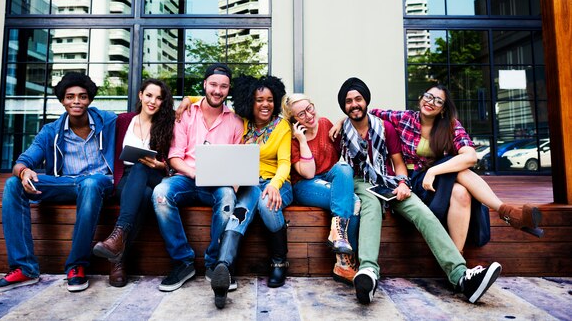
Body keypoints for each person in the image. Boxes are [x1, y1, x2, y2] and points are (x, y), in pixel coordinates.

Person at [335, 77, 501, 305]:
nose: (354, 104)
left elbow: (398, 162)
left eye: (358, 99)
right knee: (371, 206)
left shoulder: (385, 127)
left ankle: (461, 276)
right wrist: (340, 121)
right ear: (343, 106)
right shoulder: (339, 132)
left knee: (422, 212)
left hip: (390, 180)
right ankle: (368, 272)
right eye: (348, 101)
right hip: (360, 181)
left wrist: (402, 182)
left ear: (366, 101)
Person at [0, 72, 117, 293]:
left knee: (91, 184)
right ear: (62, 100)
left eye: (82, 96)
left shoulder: (109, 121)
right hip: (67, 183)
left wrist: (187, 102)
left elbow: (142, 116)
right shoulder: (51, 131)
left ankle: (77, 266)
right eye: (70, 96)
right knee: (13, 184)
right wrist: (24, 171)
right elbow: (22, 162)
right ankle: (24, 268)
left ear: (90, 99)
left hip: (101, 184)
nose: (76, 101)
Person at [369, 84, 544, 253]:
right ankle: (509, 213)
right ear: (421, 98)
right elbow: (367, 114)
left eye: (438, 101)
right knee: (458, 168)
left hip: (436, 182)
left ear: (443, 108)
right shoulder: (404, 118)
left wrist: (433, 171)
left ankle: (456, 257)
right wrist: (342, 121)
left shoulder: (450, 125)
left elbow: (471, 156)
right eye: (428, 97)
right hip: (413, 182)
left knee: (461, 192)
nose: (431, 102)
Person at [152, 64, 243, 292]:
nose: (217, 91)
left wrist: (233, 183)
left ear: (228, 89)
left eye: (223, 86)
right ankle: (183, 262)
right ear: (204, 85)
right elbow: (174, 157)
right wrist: (195, 173)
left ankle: (215, 264)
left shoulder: (235, 121)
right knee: (160, 193)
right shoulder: (186, 114)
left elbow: (237, 162)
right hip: (186, 177)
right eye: (213, 84)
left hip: (218, 183)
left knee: (228, 197)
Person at [210, 74, 292, 309]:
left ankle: (279, 262)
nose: (265, 104)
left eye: (269, 99)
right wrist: (188, 100)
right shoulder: (242, 122)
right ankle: (223, 269)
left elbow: (285, 162)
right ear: (249, 101)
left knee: (268, 204)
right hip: (249, 184)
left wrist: (275, 185)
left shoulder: (281, 126)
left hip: (277, 183)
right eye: (259, 100)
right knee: (239, 213)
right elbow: (214, 101)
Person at [92, 79, 175, 287]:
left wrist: (160, 164)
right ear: (140, 95)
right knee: (144, 196)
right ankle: (118, 257)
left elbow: (171, 161)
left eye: (158, 98)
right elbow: (92, 114)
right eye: (149, 95)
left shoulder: (167, 125)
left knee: (141, 167)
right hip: (125, 178)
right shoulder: (122, 120)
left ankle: (117, 235)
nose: (153, 101)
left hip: (154, 174)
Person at [281, 93, 360, 284]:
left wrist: (342, 121)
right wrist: (301, 139)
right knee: (353, 201)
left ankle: (338, 236)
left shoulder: (325, 124)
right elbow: (308, 173)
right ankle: (344, 263)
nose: (309, 115)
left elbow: (353, 130)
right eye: (301, 114)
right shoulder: (291, 139)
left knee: (343, 168)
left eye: (310, 108)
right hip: (304, 186)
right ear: (293, 120)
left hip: (328, 177)